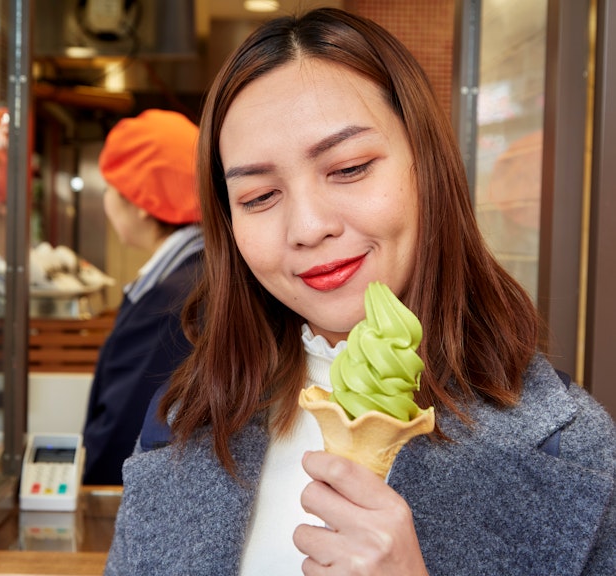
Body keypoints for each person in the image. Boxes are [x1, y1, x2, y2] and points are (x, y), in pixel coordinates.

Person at [105, 9, 615, 575]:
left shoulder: (573, 448)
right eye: (258, 197)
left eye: (348, 168)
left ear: (427, 166)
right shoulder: (183, 423)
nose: (307, 227)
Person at [81, 109, 203, 486]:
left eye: (110, 189)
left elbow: (123, 427)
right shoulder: (198, 273)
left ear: (139, 200)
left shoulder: (172, 299)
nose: (107, 203)